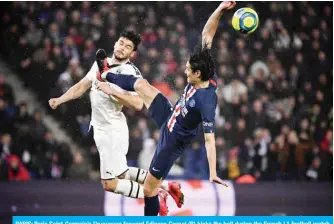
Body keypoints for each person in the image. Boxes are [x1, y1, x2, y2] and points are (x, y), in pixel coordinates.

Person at [97, 1, 236, 216]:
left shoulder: (207, 102)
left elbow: (209, 140)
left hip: (172, 141)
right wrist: (219, 9)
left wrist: (213, 172)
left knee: (150, 190)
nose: (185, 69)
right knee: (142, 85)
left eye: (188, 69)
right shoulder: (205, 67)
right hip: (170, 115)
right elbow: (207, 34)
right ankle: (106, 73)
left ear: (198, 75)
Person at [48, 30, 183, 216]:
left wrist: (112, 90)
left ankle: (156, 194)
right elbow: (81, 86)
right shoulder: (101, 65)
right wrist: (60, 100)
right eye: (121, 43)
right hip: (101, 129)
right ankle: (168, 186)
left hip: (113, 131)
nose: (122, 48)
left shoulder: (130, 72)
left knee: (110, 184)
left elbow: (137, 104)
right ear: (115, 44)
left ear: (132, 53)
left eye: (128, 47)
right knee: (122, 175)